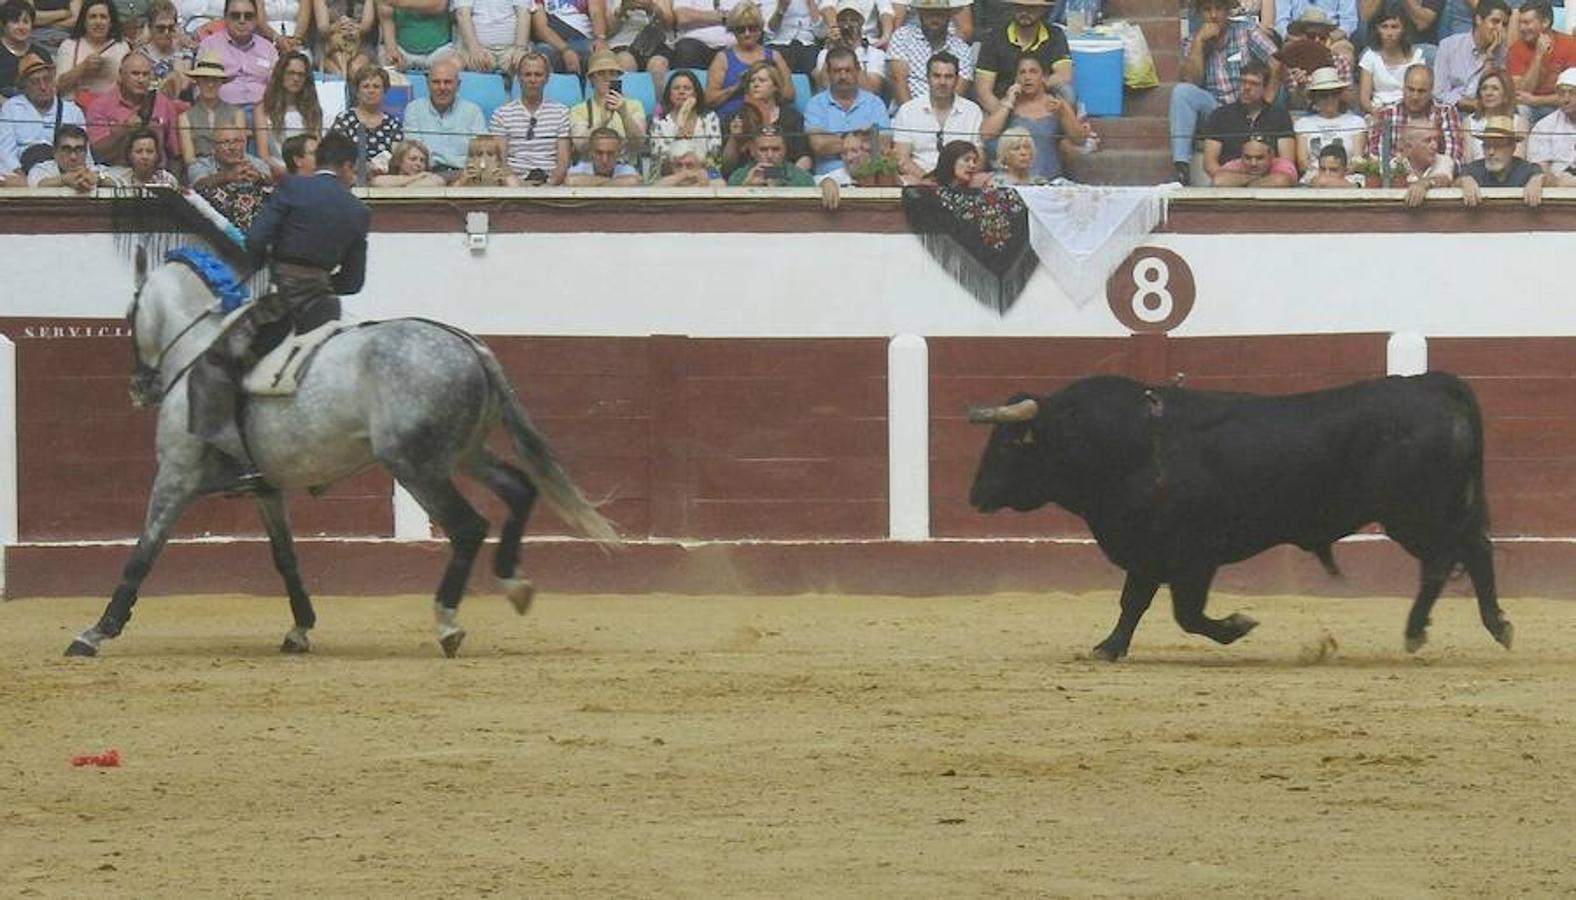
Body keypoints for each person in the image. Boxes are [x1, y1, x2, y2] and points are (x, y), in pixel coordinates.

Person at [187, 129, 370, 492]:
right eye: (354, 171)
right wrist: (320, 283)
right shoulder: (358, 209)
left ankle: (236, 463)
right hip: (326, 308)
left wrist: (264, 265)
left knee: (218, 363)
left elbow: (256, 239)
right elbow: (352, 281)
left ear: (320, 162)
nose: (353, 176)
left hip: (284, 301)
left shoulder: (293, 187)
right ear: (348, 166)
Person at [1169, 0, 1279, 184]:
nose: (1213, 15)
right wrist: (1199, 43)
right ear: (1199, 13)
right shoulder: (1191, 40)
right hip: (1215, 112)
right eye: (1207, 9)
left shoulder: (1246, 30)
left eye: (1219, 8)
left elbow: (1276, 62)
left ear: (1228, 10)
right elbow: (1190, 80)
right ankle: (1181, 168)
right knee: (1181, 92)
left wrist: (1267, 102)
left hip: (1247, 106)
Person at [980, 54, 1085, 183]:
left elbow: (1080, 140)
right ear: (1017, 78)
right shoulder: (1009, 104)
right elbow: (985, 135)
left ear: (1044, 77)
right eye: (1022, 73)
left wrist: (1064, 113)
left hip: (1050, 181)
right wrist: (1008, 103)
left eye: (1033, 72)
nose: (1027, 77)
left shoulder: (1057, 103)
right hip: (1015, 183)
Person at [892, 50, 980, 183]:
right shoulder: (907, 110)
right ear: (927, 78)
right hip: (920, 182)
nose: (942, 82)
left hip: (961, 183)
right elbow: (902, 159)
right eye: (937, 76)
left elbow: (980, 156)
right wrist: (928, 180)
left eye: (948, 76)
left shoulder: (972, 111)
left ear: (957, 79)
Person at [1200, 60, 1294, 181]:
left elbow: (1287, 161)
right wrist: (1238, 180)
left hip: (1270, 182)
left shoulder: (1280, 116)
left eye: (1254, 84)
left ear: (1265, 88)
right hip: (1230, 181)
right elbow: (1209, 164)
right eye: (1243, 82)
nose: (1247, 88)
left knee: (1282, 180)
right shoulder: (1220, 115)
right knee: (1220, 179)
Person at [0, 52, 88, 177]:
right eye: (35, 82)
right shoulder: (11, 108)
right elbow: (5, 152)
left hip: (64, 175)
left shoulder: (73, 112)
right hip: (21, 175)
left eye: (47, 79)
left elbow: (84, 153)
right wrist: (25, 180)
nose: (43, 87)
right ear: (24, 86)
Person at [805, 44, 888, 175]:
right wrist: (863, 141)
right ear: (828, 73)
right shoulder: (815, 104)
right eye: (837, 71)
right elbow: (819, 144)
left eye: (848, 70)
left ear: (857, 71)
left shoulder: (874, 103)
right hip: (829, 176)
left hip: (868, 173)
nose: (843, 76)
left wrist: (837, 142)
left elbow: (883, 144)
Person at [85, 51, 179, 165]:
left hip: (156, 172)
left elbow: (174, 151)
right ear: (120, 75)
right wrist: (123, 130)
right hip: (115, 173)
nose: (140, 80)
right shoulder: (100, 106)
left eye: (145, 74)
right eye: (135, 74)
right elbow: (97, 153)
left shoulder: (163, 103)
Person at [490, 50, 570, 184]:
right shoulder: (501, 114)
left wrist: (549, 186)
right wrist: (519, 186)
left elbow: (563, 163)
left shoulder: (561, 113)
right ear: (518, 78)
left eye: (538, 75)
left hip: (550, 182)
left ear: (547, 78)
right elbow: (501, 162)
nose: (533, 80)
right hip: (514, 183)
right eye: (527, 75)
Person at [401, 53, 486, 175]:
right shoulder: (414, 109)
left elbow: (480, 152)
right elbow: (413, 152)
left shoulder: (473, 111)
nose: (442, 87)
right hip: (427, 174)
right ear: (428, 84)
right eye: (436, 82)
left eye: (448, 82)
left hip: (465, 175)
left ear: (458, 85)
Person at [718, 59, 809, 172]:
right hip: (745, 181)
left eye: (762, 80)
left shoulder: (793, 117)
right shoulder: (735, 117)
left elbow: (805, 157)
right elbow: (727, 166)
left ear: (775, 87)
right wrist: (734, 139)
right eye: (752, 81)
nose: (756, 84)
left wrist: (792, 178)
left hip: (785, 180)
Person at [706, 2, 794, 120]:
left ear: (760, 28)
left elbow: (790, 95)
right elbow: (709, 100)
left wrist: (770, 88)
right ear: (733, 31)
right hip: (732, 121)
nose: (747, 34)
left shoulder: (775, 56)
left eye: (752, 28)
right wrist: (736, 88)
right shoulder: (722, 58)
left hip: (769, 119)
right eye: (741, 29)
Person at [1368, 63, 1464, 163]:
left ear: (1431, 91)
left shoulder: (1445, 113)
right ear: (1403, 87)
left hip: (1436, 175)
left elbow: (1453, 156)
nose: (1415, 97)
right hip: (1396, 175)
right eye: (1411, 89)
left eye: (1421, 91)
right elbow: (1377, 155)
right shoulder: (1386, 114)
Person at [886, 0, 971, 104]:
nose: (934, 18)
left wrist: (938, 116)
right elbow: (898, 81)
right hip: (906, 110)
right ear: (920, 13)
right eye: (929, 13)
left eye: (940, 14)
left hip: (947, 113)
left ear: (949, 15)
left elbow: (959, 91)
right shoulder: (902, 37)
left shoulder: (961, 48)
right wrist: (912, 114)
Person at [253, 50, 321, 179]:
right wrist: (287, 174)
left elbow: (316, 150)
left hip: (308, 173)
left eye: (301, 75)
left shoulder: (313, 109)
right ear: (281, 75)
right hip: (276, 172)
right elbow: (263, 155)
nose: (296, 79)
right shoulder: (262, 109)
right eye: (291, 73)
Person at [328, 61, 403, 177]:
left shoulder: (394, 124)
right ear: (357, 91)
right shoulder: (344, 119)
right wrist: (363, 167)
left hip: (385, 180)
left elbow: (398, 160)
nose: (371, 91)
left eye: (376, 86)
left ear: (385, 91)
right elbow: (334, 154)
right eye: (365, 86)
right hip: (350, 178)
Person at [1432, 0, 1509, 113]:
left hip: (1484, 113)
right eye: (1495, 21)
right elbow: (1438, 93)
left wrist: (1490, 56)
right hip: (1452, 111)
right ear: (1479, 19)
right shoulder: (1448, 45)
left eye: (1504, 25)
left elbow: (1494, 93)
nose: (1500, 29)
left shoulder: (1502, 53)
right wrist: (1467, 103)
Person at [569, 49, 646, 161]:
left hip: (626, 167)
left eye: (612, 73)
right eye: (601, 73)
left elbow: (639, 143)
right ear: (591, 78)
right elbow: (581, 147)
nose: (607, 78)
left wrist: (624, 114)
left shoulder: (634, 105)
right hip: (591, 169)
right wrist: (601, 122)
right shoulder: (579, 110)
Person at [197, 0, 276, 107]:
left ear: (256, 19)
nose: (242, 21)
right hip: (223, 111)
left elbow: (277, 86)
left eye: (248, 16)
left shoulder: (268, 48)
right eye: (235, 16)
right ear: (225, 18)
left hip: (263, 111)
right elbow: (200, 87)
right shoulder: (209, 46)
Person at [1455, 114, 1545, 206]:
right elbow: (1455, 183)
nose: (1491, 152)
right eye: (1487, 146)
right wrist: (1464, 181)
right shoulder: (1473, 170)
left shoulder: (1526, 170)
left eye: (1498, 146)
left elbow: (1550, 178)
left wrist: (1538, 180)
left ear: (1512, 148)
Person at [1507, 0, 1576, 120]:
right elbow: (1521, 93)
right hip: (1530, 108)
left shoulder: (1570, 45)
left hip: (1561, 106)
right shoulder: (1516, 49)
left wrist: (1536, 100)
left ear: (1545, 22)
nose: (1522, 28)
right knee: (1520, 108)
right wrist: (1538, 56)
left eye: (1527, 23)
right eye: (1520, 23)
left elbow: (1573, 95)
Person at [178, 50, 246, 170]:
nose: (210, 85)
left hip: (231, 170)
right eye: (205, 79)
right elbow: (189, 158)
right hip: (199, 171)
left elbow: (240, 151)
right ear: (197, 82)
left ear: (221, 82)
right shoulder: (185, 117)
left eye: (214, 80)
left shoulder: (236, 113)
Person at [1294, 65, 1366, 178]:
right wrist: (1324, 175)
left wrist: (1337, 175)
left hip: (1347, 176)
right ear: (1315, 98)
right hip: (1314, 177)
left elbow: (1358, 160)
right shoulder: (1303, 124)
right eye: (1323, 95)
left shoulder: (1356, 122)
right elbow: (1303, 163)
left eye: (1334, 94)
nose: (1330, 99)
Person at [649, 67, 723, 176]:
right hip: (668, 175)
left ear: (696, 93)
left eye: (687, 88)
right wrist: (678, 138)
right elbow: (659, 159)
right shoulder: (659, 120)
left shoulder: (709, 118)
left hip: (704, 173)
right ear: (669, 94)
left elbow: (714, 155)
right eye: (676, 88)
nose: (681, 92)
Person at [55, 0, 131, 98]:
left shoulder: (122, 46)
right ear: (84, 22)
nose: (98, 22)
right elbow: (58, 86)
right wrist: (82, 68)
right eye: (92, 17)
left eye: (103, 17)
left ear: (111, 22)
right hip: (75, 107)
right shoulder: (69, 45)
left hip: (110, 108)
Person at [1357, 6, 1425, 114]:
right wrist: (1378, 115)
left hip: (1408, 111)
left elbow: (1421, 93)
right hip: (1378, 111)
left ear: (1403, 29)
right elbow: (1364, 100)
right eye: (1384, 27)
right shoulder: (1370, 56)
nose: (1389, 33)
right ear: (1377, 29)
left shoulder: (1416, 56)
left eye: (1395, 27)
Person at [812, 0, 886, 94]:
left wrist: (853, 52)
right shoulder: (826, 53)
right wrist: (833, 48)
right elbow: (824, 84)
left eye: (853, 20)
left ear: (861, 23)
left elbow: (870, 89)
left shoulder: (874, 54)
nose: (847, 25)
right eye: (843, 20)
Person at [604, 0, 674, 95]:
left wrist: (652, 8)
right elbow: (607, 30)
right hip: (623, 41)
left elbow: (670, 23)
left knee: (658, 64)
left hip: (655, 42)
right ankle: (620, 106)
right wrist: (623, 11)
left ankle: (662, 107)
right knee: (625, 61)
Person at [1461, 68, 1526, 161]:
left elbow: (1519, 161)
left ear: (1506, 95)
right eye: (1484, 88)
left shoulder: (1519, 122)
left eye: (1495, 88)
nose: (1488, 93)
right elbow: (1468, 160)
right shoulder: (1468, 122)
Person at [453, 0, 530, 76]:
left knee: (527, 66)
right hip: (476, 48)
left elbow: (524, 13)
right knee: (452, 67)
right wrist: (475, 51)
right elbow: (462, 14)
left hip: (512, 48)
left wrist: (519, 50)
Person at [136, 0, 193, 98]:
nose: (166, 32)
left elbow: (183, 85)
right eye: (160, 28)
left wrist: (177, 50)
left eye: (171, 28)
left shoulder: (184, 53)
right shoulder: (141, 54)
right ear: (150, 27)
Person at [27, 122, 112, 188]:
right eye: (66, 150)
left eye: (79, 150)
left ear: (86, 152)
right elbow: (36, 185)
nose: (73, 157)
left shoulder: (96, 170)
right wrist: (64, 180)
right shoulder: (41, 169)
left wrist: (99, 179)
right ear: (55, 152)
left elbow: (120, 183)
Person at [1525, 68, 1576, 176]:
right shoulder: (1543, 127)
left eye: (1572, 93)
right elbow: (1539, 170)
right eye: (1562, 93)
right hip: (1556, 189)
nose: (1566, 99)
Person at [1391, 120, 1454, 206]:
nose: (1435, 146)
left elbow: (1443, 180)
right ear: (1409, 147)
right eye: (1427, 141)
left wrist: (1424, 183)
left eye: (1436, 140)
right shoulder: (1393, 166)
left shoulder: (1444, 161)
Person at [378, 0, 454, 70]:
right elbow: (386, 17)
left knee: (450, 70)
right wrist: (392, 50)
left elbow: (439, 5)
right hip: (401, 50)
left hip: (440, 51)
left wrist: (397, 2)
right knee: (385, 69)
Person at [727, 123, 815, 183]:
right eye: (763, 149)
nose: (770, 155)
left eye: (776, 149)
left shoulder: (802, 178)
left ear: (785, 150)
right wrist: (747, 189)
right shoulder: (738, 177)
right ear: (752, 151)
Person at [531, 0, 601, 73]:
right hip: (552, 42)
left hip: (583, 38)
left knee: (598, 52)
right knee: (542, 54)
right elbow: (540, 28)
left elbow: (597, 13)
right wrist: (565, 50)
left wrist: (600, 38)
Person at [312, 0, 376, 76]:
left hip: (360, 43)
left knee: (356, 69)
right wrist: (338, 27)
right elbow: (323, 28)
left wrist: (354, 28)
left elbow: (366, 26)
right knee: (338, 70)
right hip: (329, 44)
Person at [1210, 132, 1298, 186]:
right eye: (1248, 157)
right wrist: (1259, 179)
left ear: (1272, 156)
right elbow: (1219, 180)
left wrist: (1240, 182)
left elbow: (1281, 181)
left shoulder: (1283, 164)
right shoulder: (1236, 163)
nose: (1253, 163)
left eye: (1260, 158)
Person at [563, 125, 642, 183]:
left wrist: (589, 182)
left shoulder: (627, 170)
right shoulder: (579, 169)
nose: (605, 160)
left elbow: (634, 181)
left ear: (619, 153)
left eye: (610, 153)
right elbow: (570, 180)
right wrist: (617, 182)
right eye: (599, 153)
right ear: (591, 152)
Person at [764, 0, 823, 75]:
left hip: (808, 44)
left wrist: (811, 3)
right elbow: (769, 32)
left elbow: (821, 34)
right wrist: (780, 10)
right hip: (779, 42)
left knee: (819, 69)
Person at [2, 0, 43, 99]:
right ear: (3, 25)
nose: (21, 27)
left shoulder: (41, 53)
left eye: (26, 21)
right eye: (15, 21)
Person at [108, 125, 179, 183]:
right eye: (138, 151)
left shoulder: (167, 180)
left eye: (150, 151)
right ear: (130, 155)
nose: (144, 157)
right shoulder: (119, 178)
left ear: (157, 155)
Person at [372, 136, 448, 183]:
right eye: (413, 159)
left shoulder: (432, 180)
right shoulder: (383, 179)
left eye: (422, 160)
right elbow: (377, 182)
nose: (418, 164)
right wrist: (417, 177)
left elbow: (439, 181)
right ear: (399, 161)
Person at [452, 132, 521, 184]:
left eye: (490, 154)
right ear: (471, 158)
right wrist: (463, 180)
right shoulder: (467, 173)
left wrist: (504, 181)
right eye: (479, 154)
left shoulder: (504, 174)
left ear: (498, 159)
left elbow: (517, 191)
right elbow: (451, 193)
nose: (485, 158)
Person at [653, 140, 725, 183]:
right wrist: (684, 176)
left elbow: (721, 184)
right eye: (678, 165)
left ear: (700, 165)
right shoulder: (668, 182)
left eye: (690, 165)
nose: (684, 170)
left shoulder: (708, 177)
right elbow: (655, 188)